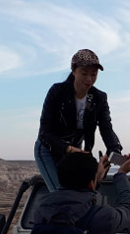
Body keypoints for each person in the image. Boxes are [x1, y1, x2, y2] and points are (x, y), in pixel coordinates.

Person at [35, 49, 123, 192]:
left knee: (79, 191)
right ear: (74, 71)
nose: (89, 79)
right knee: (61, 193)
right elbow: (45, 132)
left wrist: (114, 151)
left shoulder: (99, 97)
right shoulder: (57, 92)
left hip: (76, 150)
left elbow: (106, 128)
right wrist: (68, 149)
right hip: (48, 149)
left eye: (93, 74)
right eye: (84, 73)